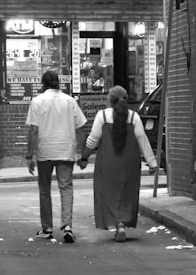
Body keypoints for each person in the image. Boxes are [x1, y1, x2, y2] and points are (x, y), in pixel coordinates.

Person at [78, 85, 158, 242]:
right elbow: (142, 139)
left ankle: (117, 223)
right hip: (130, 161)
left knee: (109, 193)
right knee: (127, 192)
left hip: (108, 161)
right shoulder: (134, 117)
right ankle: (123, 223)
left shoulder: (103, 116)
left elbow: (92, 140)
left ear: (109, 100)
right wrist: (152, 162)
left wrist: (84, 158)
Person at [25, 69, 88, 243]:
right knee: (66, 188)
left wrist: (29, 155)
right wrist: (81, 152)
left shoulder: (37, 101)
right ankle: (67, 226)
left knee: (45, 190)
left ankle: (47, 228)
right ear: (58, 83)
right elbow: (81, 128)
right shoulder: (70, 101)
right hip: (65, 149)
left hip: (45, 150)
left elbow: (34, 130)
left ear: (42, 85)